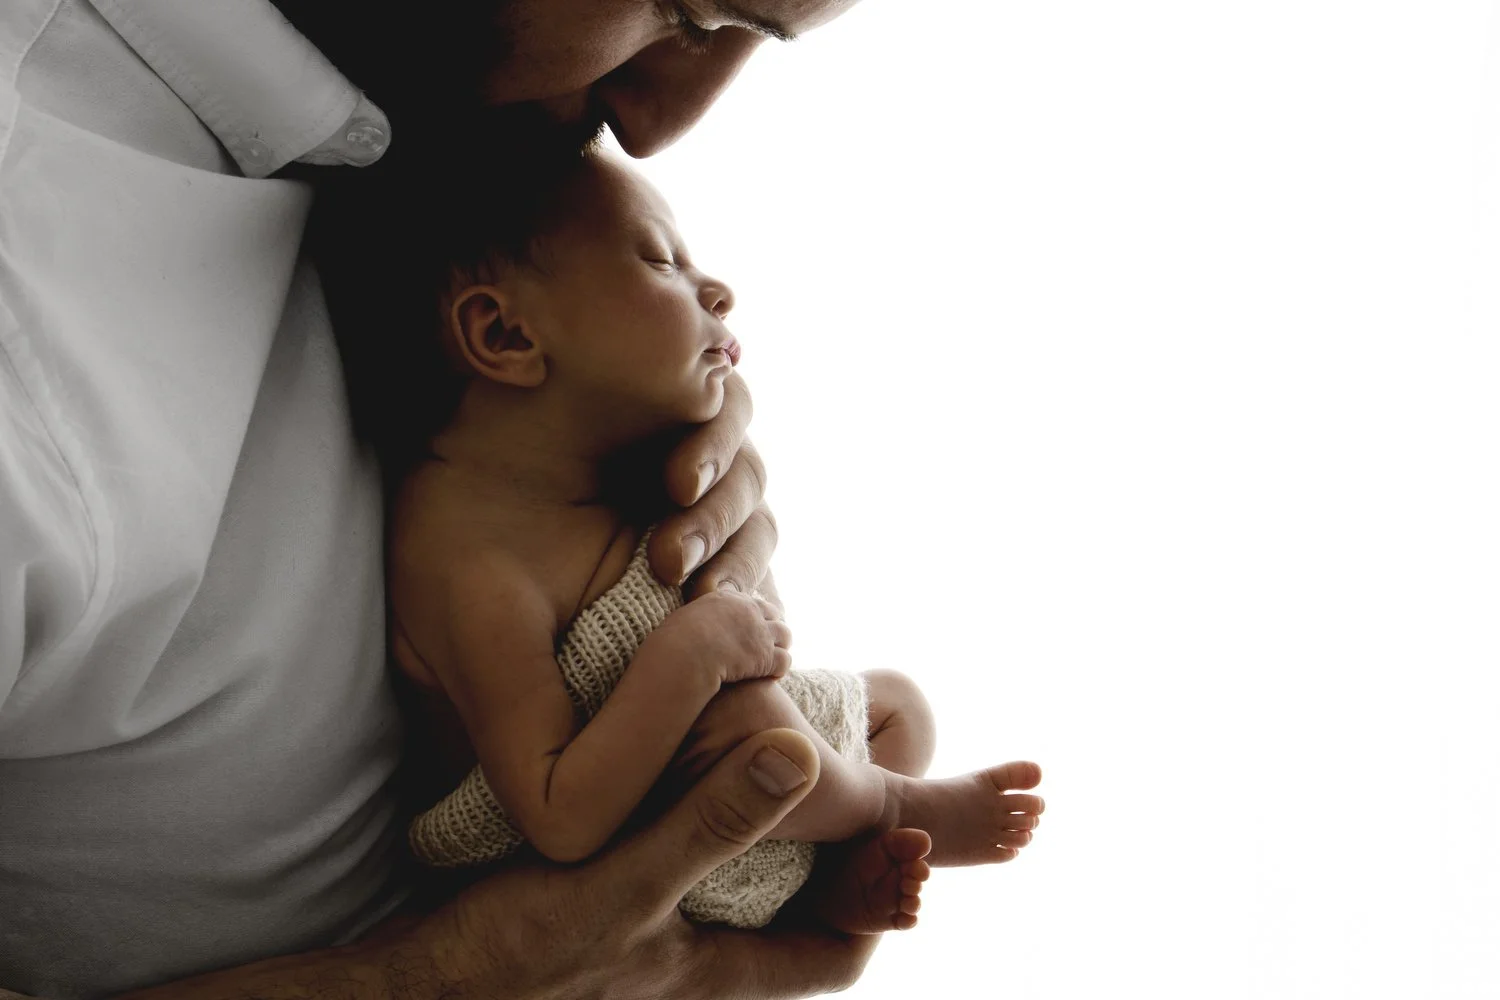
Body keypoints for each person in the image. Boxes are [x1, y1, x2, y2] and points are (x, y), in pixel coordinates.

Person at [0, 0, 936, 997]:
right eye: (689, 12)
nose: (661, 126)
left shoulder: (412, 116)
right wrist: (447, 978)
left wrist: (648, 437)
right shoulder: (31, 324)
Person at [376, 148, 1046, 933]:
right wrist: (692, 657)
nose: (719, 290)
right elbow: (556, 815)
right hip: (627, 852)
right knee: (749, 717)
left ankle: (831, 879)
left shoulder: (601, 467)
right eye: (663, 262)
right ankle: (886, 804)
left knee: (899, 703)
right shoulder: (471, 555)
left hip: (753, 786)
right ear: (505, 334)